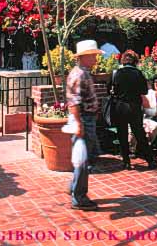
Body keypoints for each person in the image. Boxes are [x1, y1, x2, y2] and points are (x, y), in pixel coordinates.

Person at [66, 40, 102, 211]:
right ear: (85, 56)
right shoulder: (78, 75)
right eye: (93, 55)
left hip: (87, 119)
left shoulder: (83, 73)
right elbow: (74, 102)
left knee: (90, 155)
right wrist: (79, 124)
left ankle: (75, 187)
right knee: (84, 159)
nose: (96, 58)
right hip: (84, 120)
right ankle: (79, 197)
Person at [111, 50, 157, 170]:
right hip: (134, 108)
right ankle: (150, 160)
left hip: (120, 107)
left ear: (123, 60)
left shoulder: (116, 73)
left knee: (122, 134)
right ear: (135, 61)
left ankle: (126, 162)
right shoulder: (138, 74)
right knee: (139, 134)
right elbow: (144, 91)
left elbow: (111, 90)